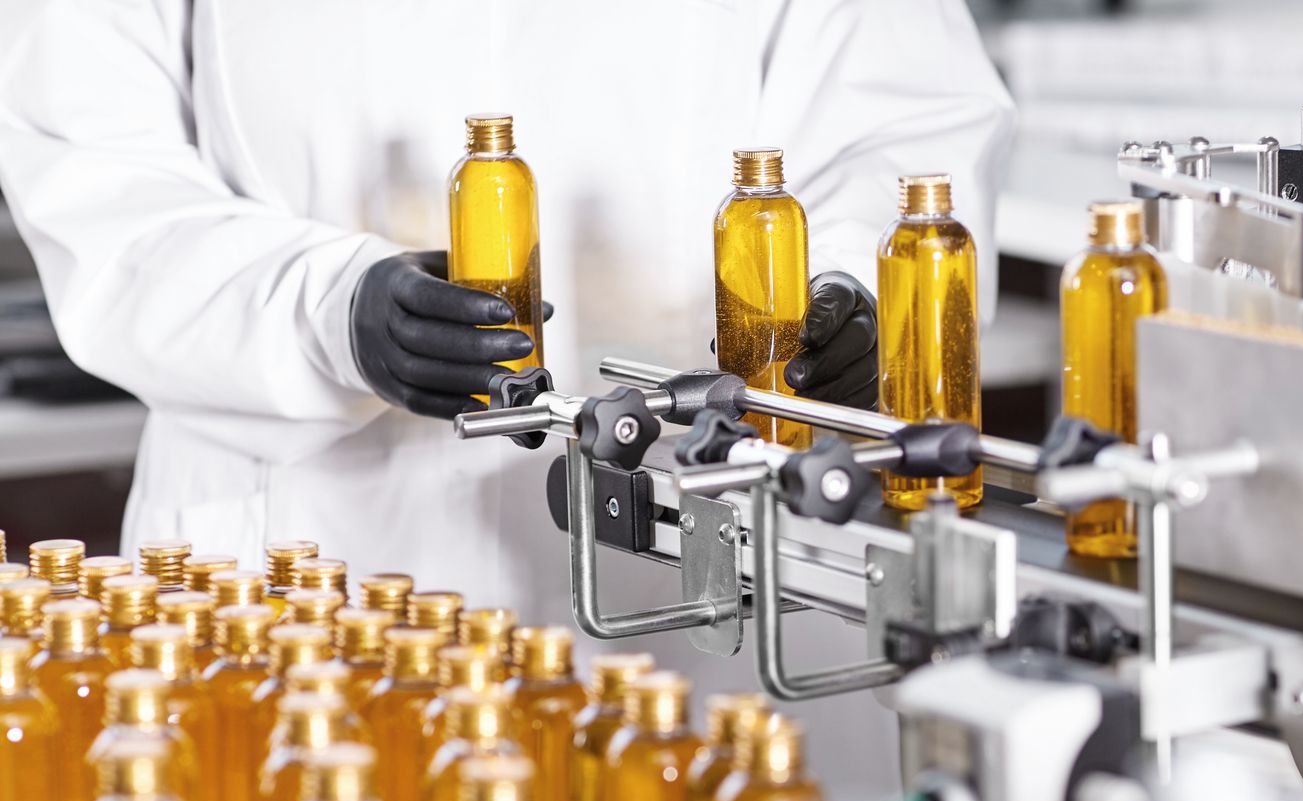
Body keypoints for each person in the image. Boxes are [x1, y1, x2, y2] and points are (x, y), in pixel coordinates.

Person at [0, 0, 1014, 618]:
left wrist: (852, 293)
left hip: (710, 532)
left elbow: (906, 118)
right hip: (305, 545)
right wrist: (327, 309)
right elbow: (98, 182)